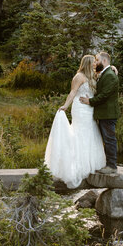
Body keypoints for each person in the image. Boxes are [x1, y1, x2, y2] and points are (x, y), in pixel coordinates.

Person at [44, 54, 106, 188]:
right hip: (80, 109)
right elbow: (73, 92)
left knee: (91, 133)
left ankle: (90, 164)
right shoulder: (78, 77)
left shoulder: (93, 76)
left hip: (90, 109)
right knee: (81, 133)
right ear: (88, 63)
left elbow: (105, 71)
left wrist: (112, 68)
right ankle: (77, 165)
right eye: (93, 62)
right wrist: (65, 105)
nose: (95, 63)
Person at [79, 51, 119, 175]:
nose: (95, 63)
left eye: (97, 60)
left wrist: (89, 101)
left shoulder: (110, 75)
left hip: (108, 114)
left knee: (109, 140)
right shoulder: (106, 73)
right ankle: (109, 164)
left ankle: (112, 166)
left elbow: (104, 96)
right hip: (104, 113)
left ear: (104, 61)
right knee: (108, 139)